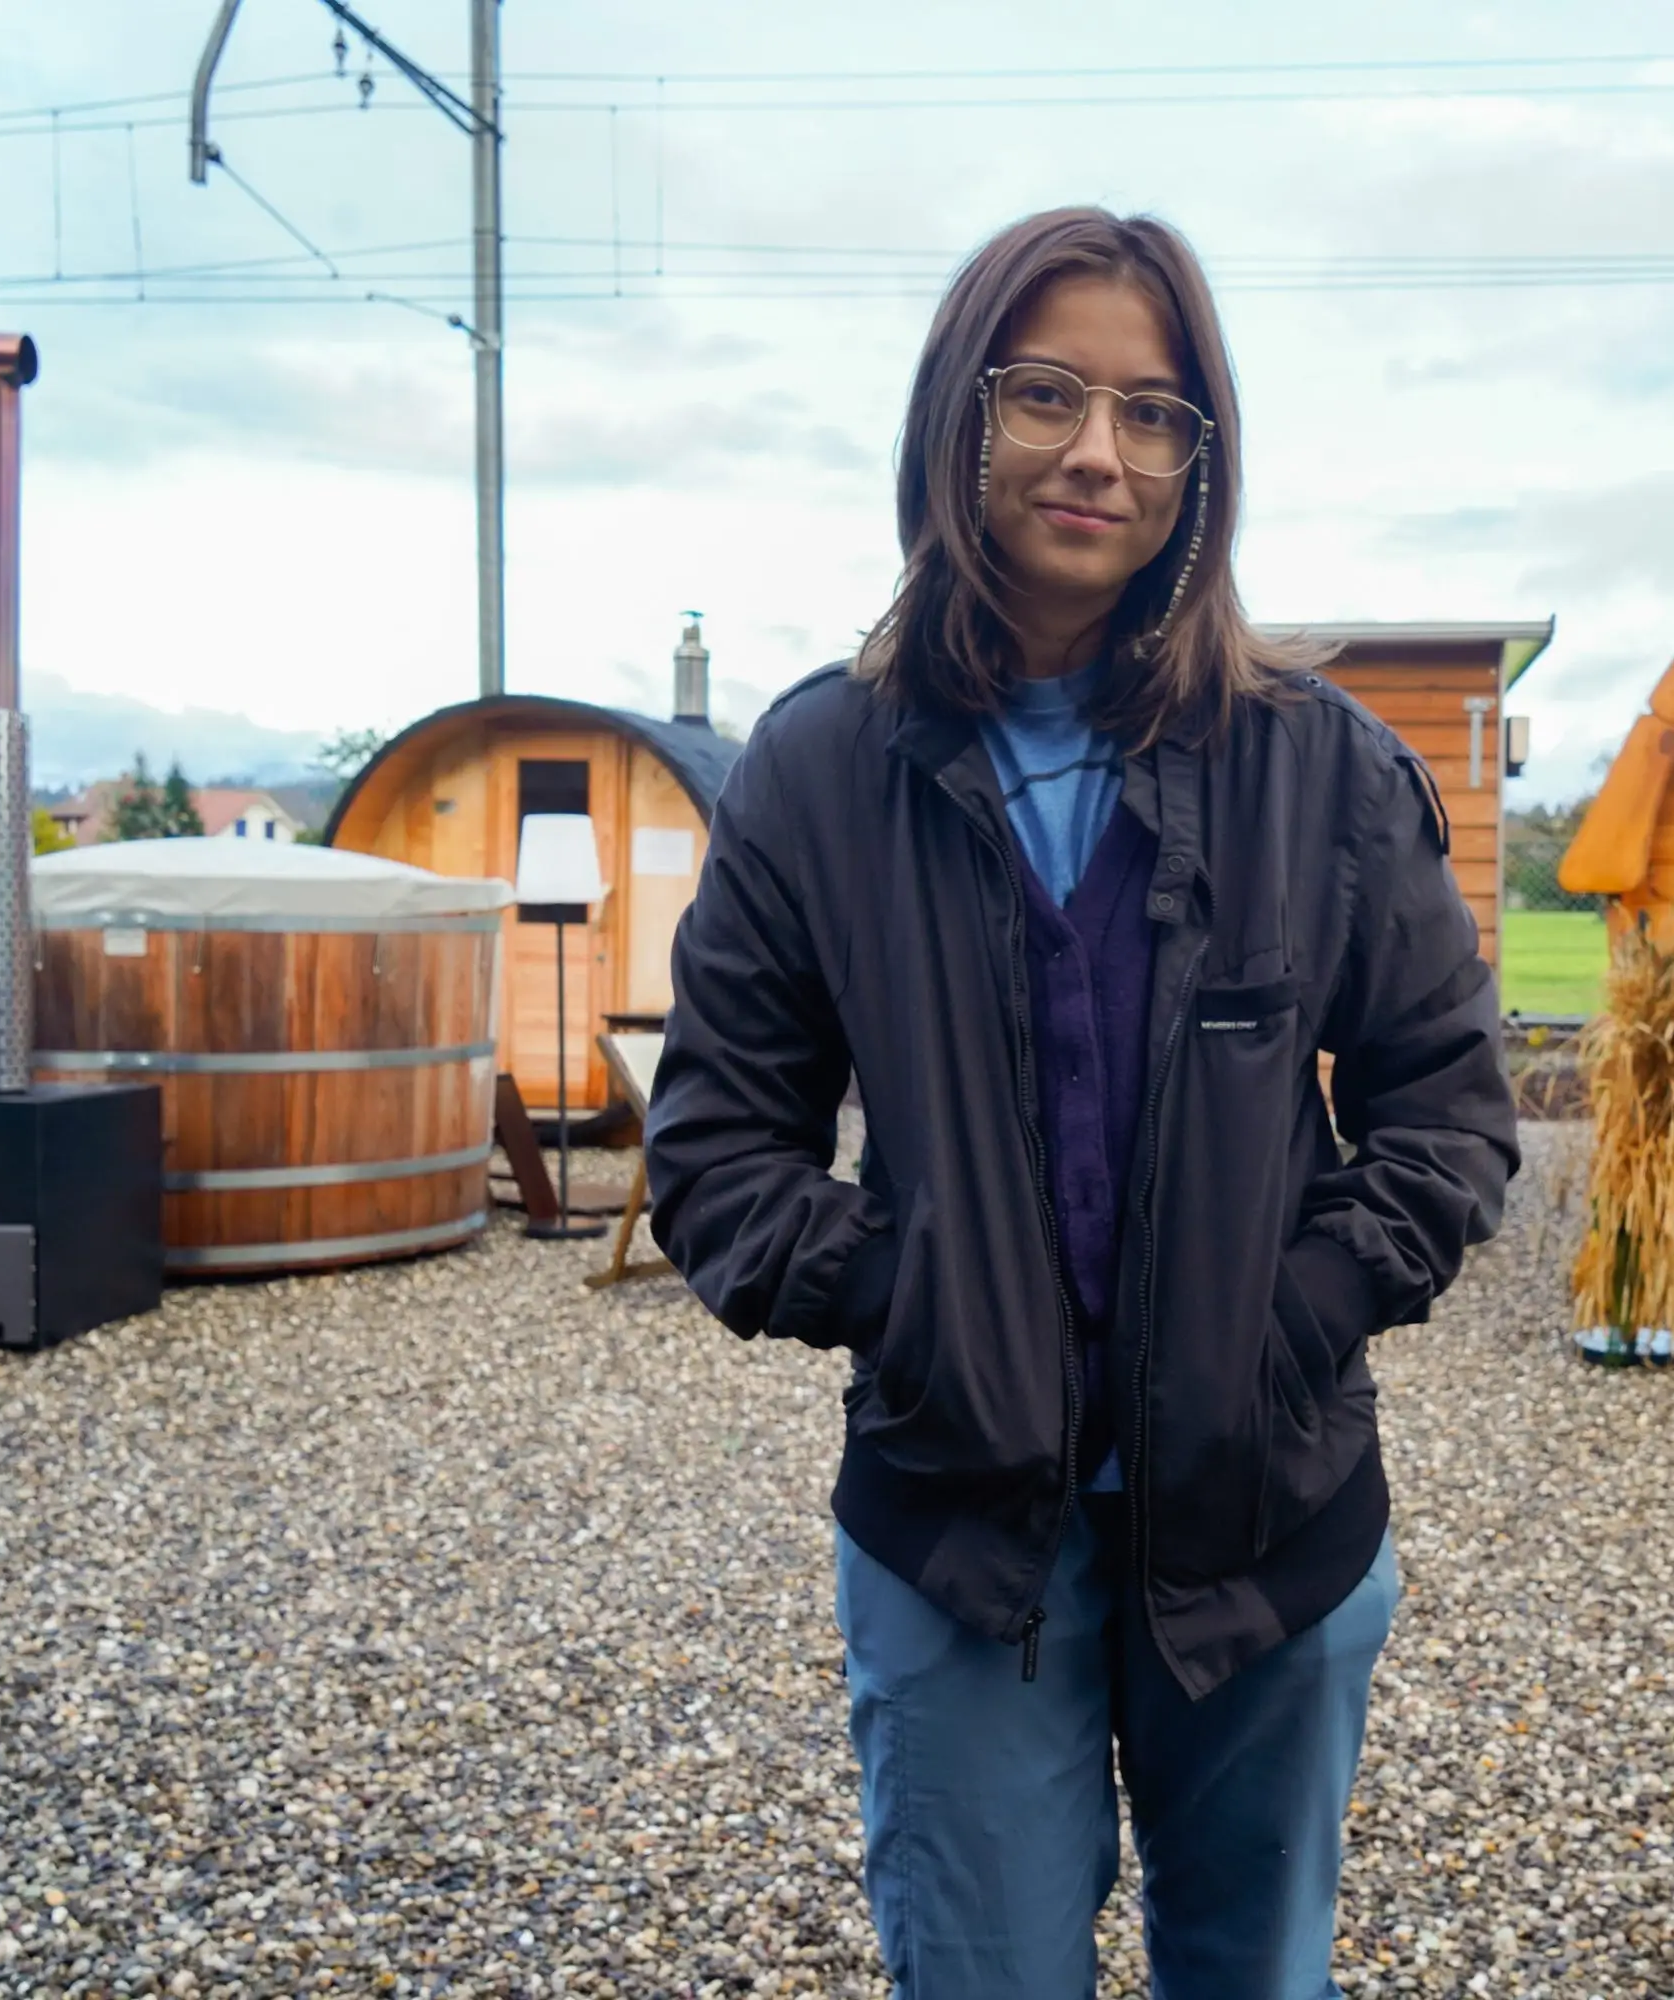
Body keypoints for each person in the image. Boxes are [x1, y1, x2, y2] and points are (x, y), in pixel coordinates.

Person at [645, 207, 1519, 1999]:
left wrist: (1302, 1314)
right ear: (956, 417)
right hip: (963, 1538)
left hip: (1268, 1522)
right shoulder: (820, 771)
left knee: (1255, 1976)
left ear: (1202, 463)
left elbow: (1448, 1105)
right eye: (1044, 393)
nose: (1097, 453)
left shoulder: (1318, 766)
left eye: (1154, 411)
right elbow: (718, 1145)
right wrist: (907, 1308)